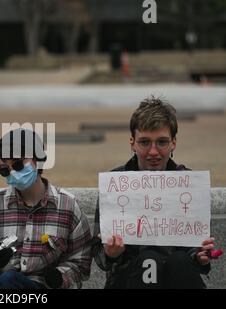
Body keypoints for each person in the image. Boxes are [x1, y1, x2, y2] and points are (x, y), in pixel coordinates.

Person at [92, 96, 217, 289]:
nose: (153, 151)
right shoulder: (115, 184)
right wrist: (111, 253)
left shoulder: (189, 184)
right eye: (144, 142)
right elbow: (99, 256)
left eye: (162, 142)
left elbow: (197, 247)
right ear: (132, 142)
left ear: (174, 143)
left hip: (178, 273)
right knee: (148, 260)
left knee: (179, 261)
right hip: (129, 278)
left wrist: (201, 256)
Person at [0, 129, 92, 289]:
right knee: (8, 279)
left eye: (18, 164)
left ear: (38, 159)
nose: (13, 172)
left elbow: (80, 263)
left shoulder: (69, 208)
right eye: (4, 170)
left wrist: (60, 278)